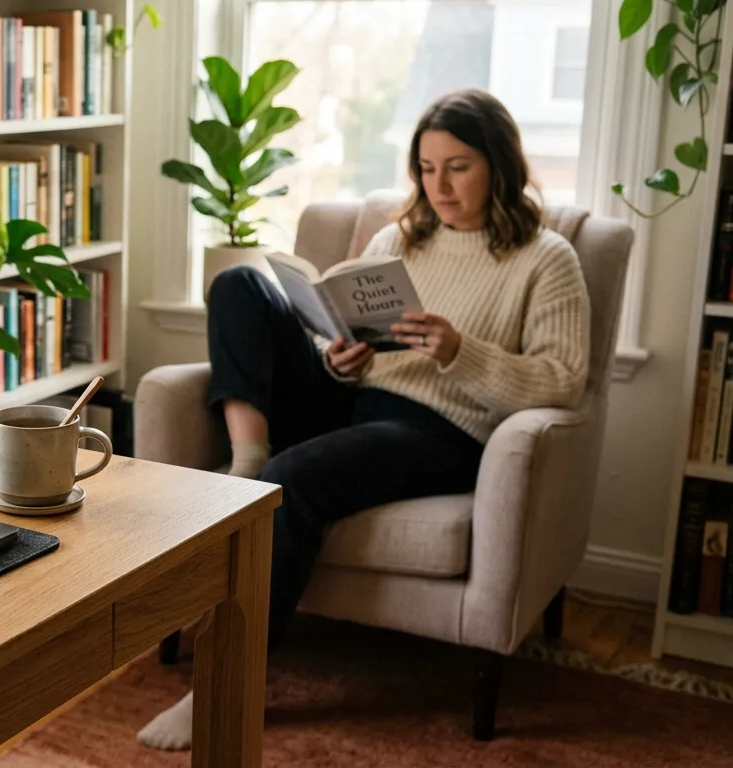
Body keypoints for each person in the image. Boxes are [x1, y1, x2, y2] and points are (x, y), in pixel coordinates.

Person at [136, 87, 592, 750]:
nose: (439, 185)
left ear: (498, 163)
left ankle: (225, 682)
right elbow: (347, 347)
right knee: (240, 283)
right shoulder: (398, 237)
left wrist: (462, 352)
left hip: (446, 430)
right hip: (358, 401)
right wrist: (337, 359)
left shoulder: (546, 259)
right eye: (427, 168)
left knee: (295, 481)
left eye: (457, 167)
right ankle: (247, 458)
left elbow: (562, 383)